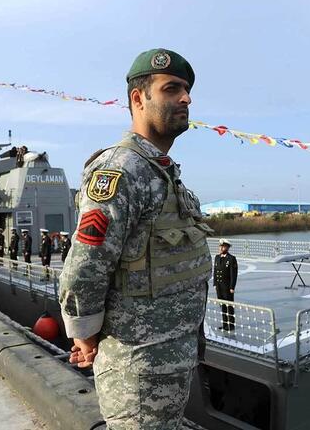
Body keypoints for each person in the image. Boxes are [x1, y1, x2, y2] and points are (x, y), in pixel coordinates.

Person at [58, 48, 212, 429]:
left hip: (170, 363)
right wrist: (84, 336)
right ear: (138, 99)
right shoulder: (121, 171)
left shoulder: (162, 173)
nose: (186, 99)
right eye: (172, 89)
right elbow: (84, 268)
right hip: (137, 374)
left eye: (187, 90)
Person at [213, 239, 238, 331]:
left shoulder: (231, 259)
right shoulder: (217, 257)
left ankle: (231, 325)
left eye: (223, 247)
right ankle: (224, 324)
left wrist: (232, 287)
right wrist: (215, 283)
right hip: (219, 286)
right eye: (220, 246)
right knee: (222, 305)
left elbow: (233, 275)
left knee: (229, 306)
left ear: (227, 248)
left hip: (227, 286)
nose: (220, 248)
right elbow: (215, 271)